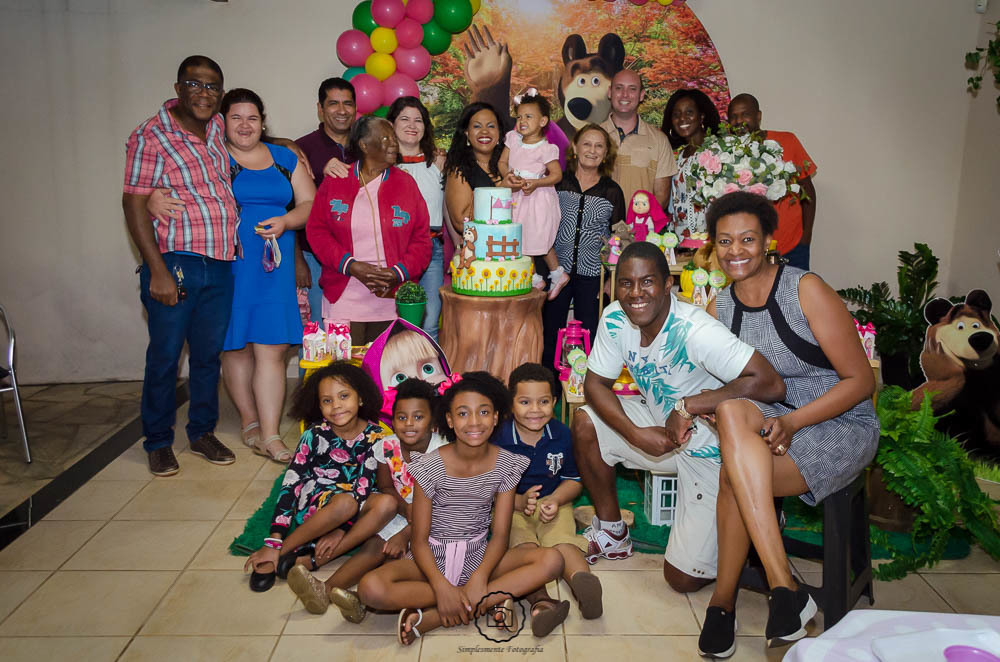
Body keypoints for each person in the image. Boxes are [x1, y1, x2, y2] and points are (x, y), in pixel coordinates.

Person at [696, 192, 878, 657]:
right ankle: (784, 589)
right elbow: (731, 391)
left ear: (768, 242)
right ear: (713, 247)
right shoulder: (720, 309)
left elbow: (861, 382)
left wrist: (793, 422)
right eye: (725, 241)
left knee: (733, 477)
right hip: (770, 423)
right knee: (730, 410)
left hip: (838, 421)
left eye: (747, 239)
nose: (736, 250)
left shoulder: (804, 289)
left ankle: (723, 603)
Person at [572, 241, 785, 592]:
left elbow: (770, 383)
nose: (635, 293)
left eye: (647, 282)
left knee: (682, 579)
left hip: (711, 450)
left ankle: (752, 511)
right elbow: (595, 384)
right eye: (626, 283)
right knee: (585, 422)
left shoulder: (695, 329)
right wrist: (634, 433)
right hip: (660, 431)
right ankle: (612, 533)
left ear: (667, 284)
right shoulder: (614, 318)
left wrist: (690, 405)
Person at [356, 372, 566, 646]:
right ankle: (482, 600)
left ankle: (435, 617)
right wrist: (441, 587)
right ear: (450, 420)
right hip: (431, 558)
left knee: (552, 560)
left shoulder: (507, 464)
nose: (474, 422)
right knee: (370, 588)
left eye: (484, 412)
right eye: (463, 413)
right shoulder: (428, 466)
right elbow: (418, 541)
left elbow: (500, 536)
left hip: (478, 555)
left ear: (496, 417)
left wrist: (480, 576)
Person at [122, 55, 239, 477]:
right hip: (176, 262)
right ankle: (157, 442)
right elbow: (133, 203)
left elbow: (253, 139)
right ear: (178, 88)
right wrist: (157, 270)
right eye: (195, 84)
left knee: (207, 357)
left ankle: (202, 432)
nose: (204, 93)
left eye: (212, 86)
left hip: (220, 261)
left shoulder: (217, 128)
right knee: (166, 357)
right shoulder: (151, 135)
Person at [201, 88, 313, 463]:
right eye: (236, 117)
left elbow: (309, 203)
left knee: (272, 348)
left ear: (263, 122)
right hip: (229, 264)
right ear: (222, 122)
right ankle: (249, 422)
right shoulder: (212, 157)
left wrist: (286, 221)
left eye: (252, 117)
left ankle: (270, 435)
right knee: (235, 346)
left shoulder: (285, 158)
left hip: (274, 269)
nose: (245, 125)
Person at [286, 377, 448, 621]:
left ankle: (364, 599)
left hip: (437, 516)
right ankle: (325, 589)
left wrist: (405, 535)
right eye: (401, 417)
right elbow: (385, 486)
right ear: (392, 420)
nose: (409, 424)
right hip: (404, 512)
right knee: (375, 545)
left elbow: (445, 501)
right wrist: (403, 508)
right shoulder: (386, 447)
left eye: (418, 417)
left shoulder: (442, 452)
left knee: (402, 554)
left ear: (433, 422)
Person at [243, 362, 396, 592]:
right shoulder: (313, 434)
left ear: (361, 398)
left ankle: (314, 560)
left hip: (356, 503)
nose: (336, 405)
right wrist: (275, 537)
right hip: (318, 503)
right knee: (345, 503)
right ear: (319, 405)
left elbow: (363, 489)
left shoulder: (377, 436)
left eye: (344, 396)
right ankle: (279, 550)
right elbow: (291, 483)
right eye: (327, 400)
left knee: (388, 503)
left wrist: (342, 529)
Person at [495, 363, 603, 634]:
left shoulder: (562, 434)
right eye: (525, 402)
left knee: (563, 542)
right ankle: (541, 603)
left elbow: (574, 480)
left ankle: (583, 584)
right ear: (511, 404)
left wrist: (555, 498)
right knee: (525, 549)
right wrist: (518, 502)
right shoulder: (499, 438)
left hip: (555, 505)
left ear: (554, 402)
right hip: (511, 508)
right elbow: (489, 489)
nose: (535, 409)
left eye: (543, 402)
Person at [305, 116, 432, 345]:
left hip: (391, 295)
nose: (393, 143)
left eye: (393, 138)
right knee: (344, 365)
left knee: (386, 364)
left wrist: (397, 273)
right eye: (385, 138)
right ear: (364, 145)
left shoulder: (406, 184)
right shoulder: (336, 181)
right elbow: (317, 232)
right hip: (344, 293)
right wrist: (351, 265)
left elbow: (421, 240)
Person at [544, 123, 625, 380]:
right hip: (557, 272)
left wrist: (612, 278)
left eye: (599, 146)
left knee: (591, 333)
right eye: (587, 144)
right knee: (550, 332)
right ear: (575, 148)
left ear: (606, 153)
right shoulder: (558, 182)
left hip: (593, 276)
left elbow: (619, 238)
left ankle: (586, 387)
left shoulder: (612, 191)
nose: (592, 150)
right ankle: (550, 388)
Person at [727, 93, 818, 270]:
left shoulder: (787, 141)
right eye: (733, 117)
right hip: (748, 251)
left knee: (796, 289)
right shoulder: (726, 153)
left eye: (745, 114)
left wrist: (806, 237)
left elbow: (807, 191)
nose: (739, 121)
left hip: (792, 246)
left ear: (758, 116)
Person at [294, 78, 357, 325]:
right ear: (320, 109)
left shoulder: (365, 147)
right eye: (333, 103)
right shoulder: (302, 148)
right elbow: (289, 207)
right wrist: (298, 260)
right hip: (313, 257)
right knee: (317, 332)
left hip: (357, 258)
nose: (342, 110)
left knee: (352, 330)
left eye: (347, 104)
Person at [499, 90, 569, 299]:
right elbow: (502, 162)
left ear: (543, 121)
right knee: (519, 238)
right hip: (516, 196)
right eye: (519, 116)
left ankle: (555, 274)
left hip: (538, 199)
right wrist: (508, 175)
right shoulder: (513, 139)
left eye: (528, 116)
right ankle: (535, 277)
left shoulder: (546, 148)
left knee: (539, 238)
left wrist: (537, 182)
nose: (522, 121)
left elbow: (556, 175)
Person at [600, 70, 676, 210]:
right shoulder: (591, 138)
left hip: (641, 223)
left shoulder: (659, 141)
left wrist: (640, 222)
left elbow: (662, 197)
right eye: (619, 88)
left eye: (632, 89)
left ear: (641, 95)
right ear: (610, 92)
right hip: (599, 224)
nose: (625, 94)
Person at [661, 88, 722, 237]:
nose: (682, 118)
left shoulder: (718, 151)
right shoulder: (678, 156)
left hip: (711, 237)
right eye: (676, 115)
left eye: (689, 112)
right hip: (681, 238)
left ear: (701, 116)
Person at [443, 102, 505, 234]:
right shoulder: (459, 171)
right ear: (466, 133)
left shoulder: (510, 164)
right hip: (482, 244)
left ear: (499, 132)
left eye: (491, 126)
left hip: (517, 242)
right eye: (477, 126)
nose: (484, 131)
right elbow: (462, 223)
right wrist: (502, 189)